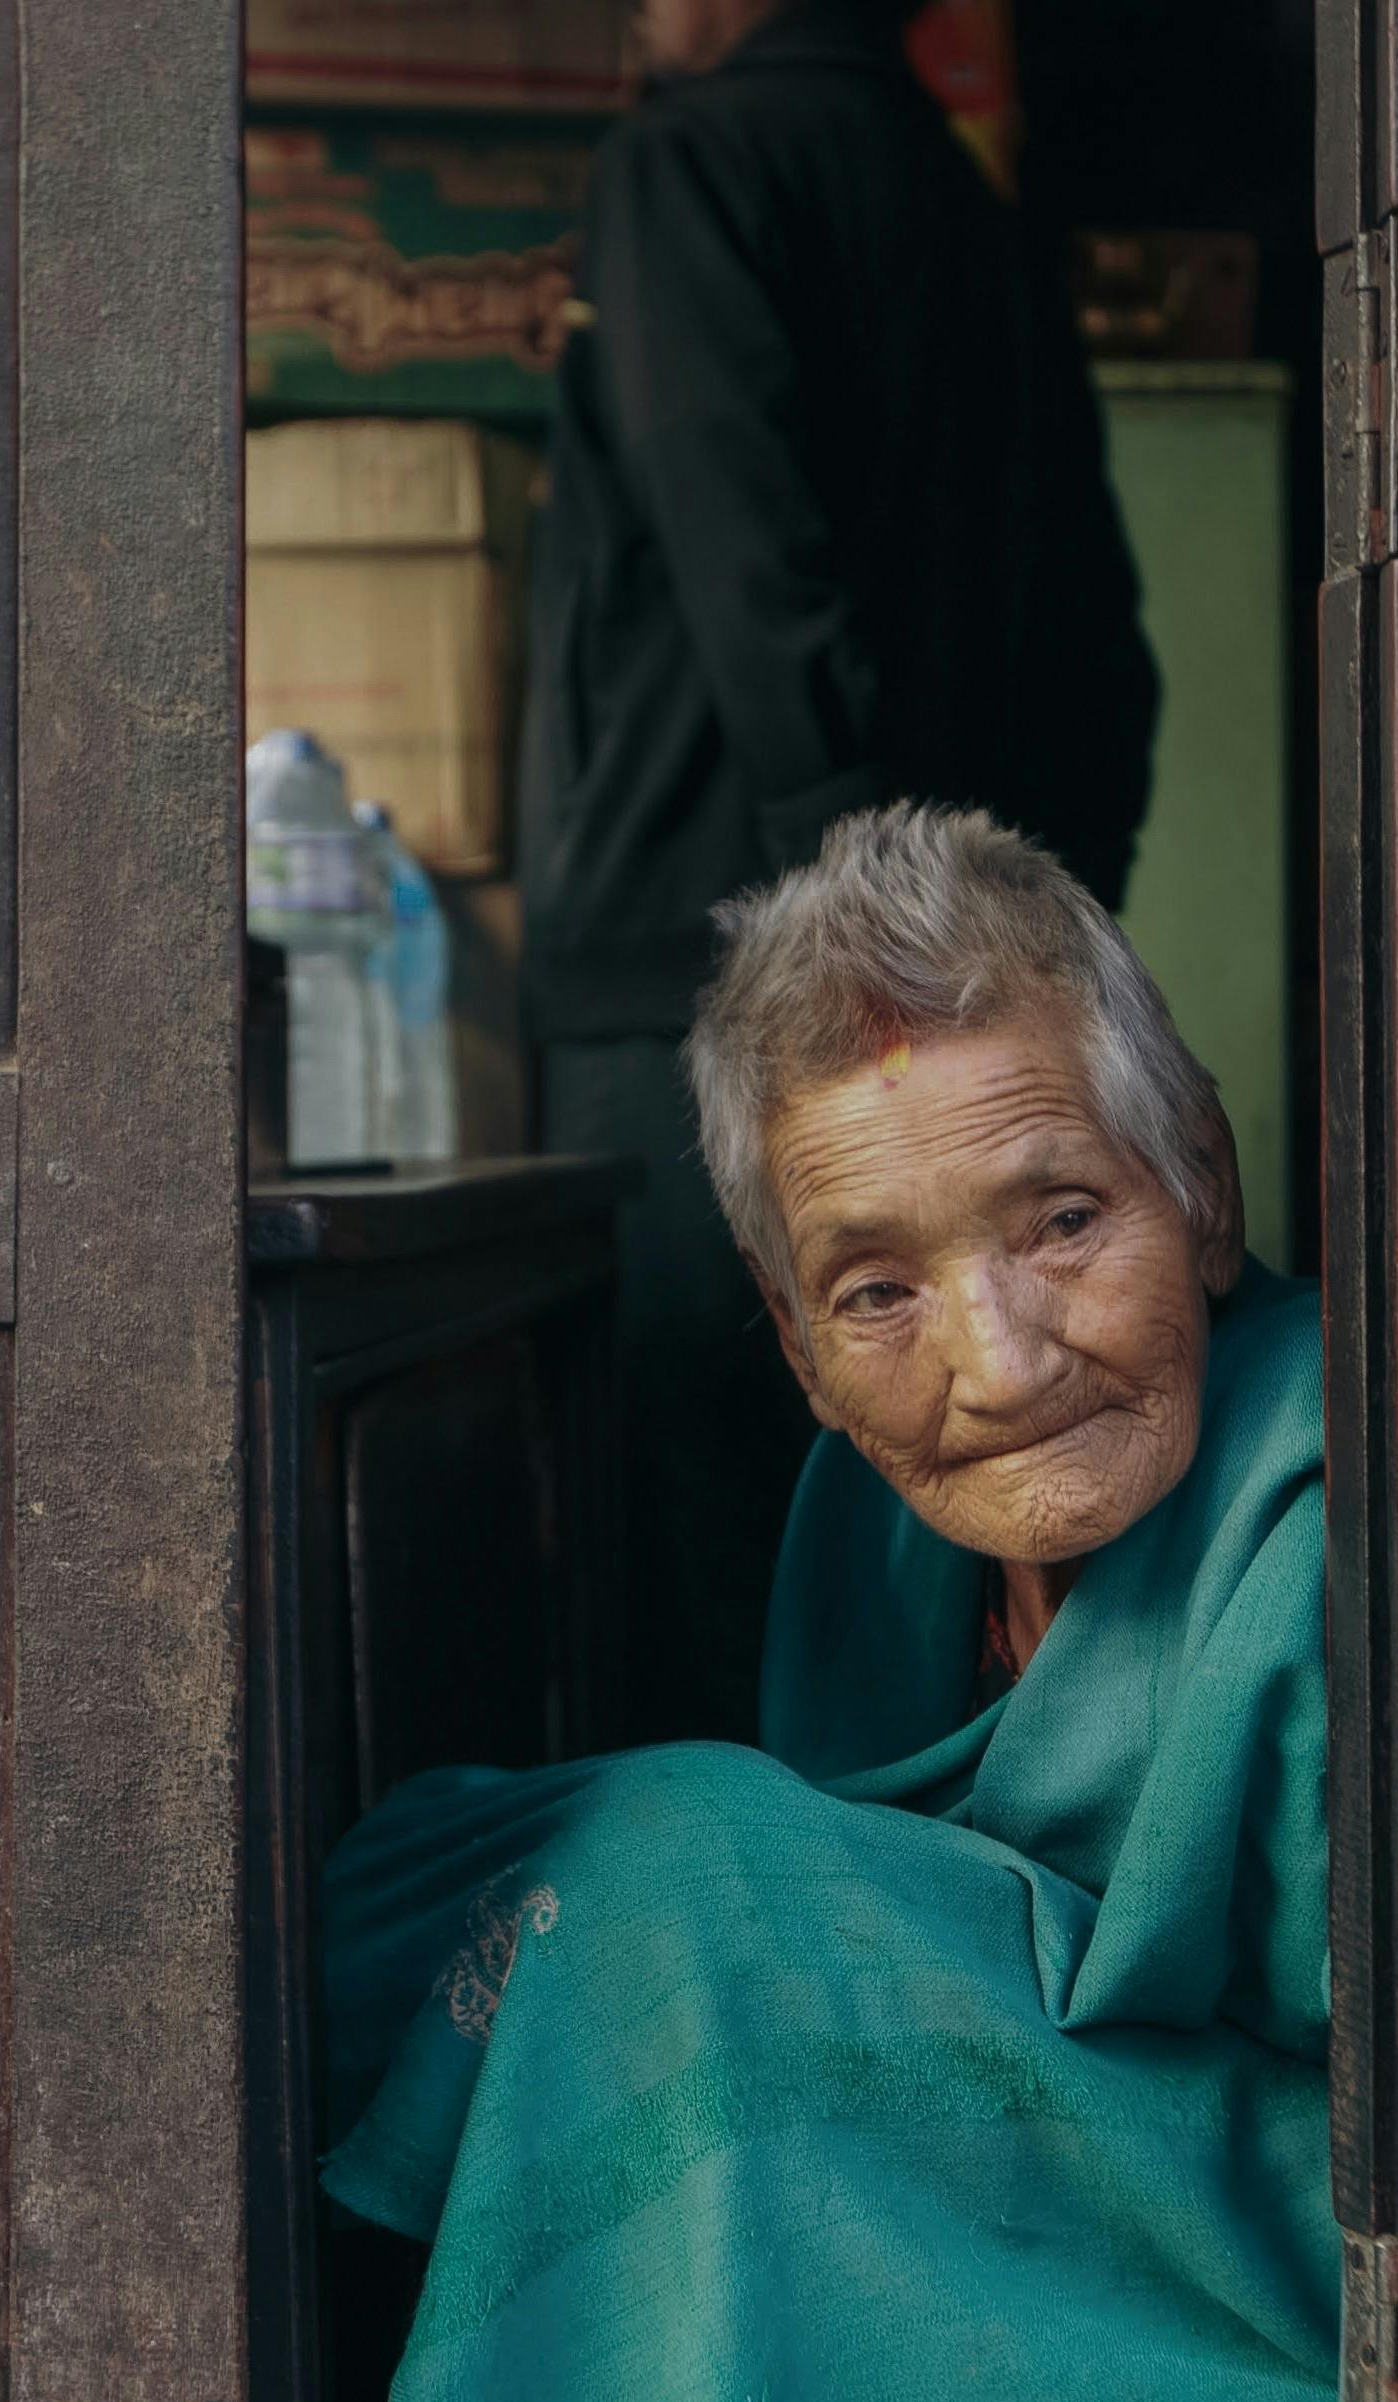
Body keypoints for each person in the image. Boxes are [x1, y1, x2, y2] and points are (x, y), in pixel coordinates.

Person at [323, 807, 1338, 2402]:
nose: (992, 1356)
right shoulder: (882, 1529)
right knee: (444, 1889)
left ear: (1207, 1194)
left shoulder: (1347, 1525)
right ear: (794, 1343)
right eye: (877, 1288)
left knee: (683, 1879)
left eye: (1061, 1221)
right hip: (1060, 2251)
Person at [520, 0, 1160, 1742]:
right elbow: (1114, 662)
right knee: (940, 1540)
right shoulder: (978, 215)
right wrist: (1018, 961)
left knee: (723, 1564)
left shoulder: (686, 172)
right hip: (964, 1021)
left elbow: (754, 575)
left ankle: (755, 1972)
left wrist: (857, 951)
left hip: (709, 999)